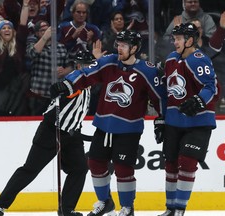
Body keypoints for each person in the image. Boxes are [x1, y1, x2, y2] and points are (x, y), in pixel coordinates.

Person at [50, 30, 166, 216]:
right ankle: (105, 202)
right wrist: (67, 84)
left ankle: (127, 207)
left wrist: (161, 120)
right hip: (104, 125)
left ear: (134, 48)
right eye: (118, 44)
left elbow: (160, 97)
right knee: (95, 163)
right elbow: (87, 74)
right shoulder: (109, 61)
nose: (119, 48)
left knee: (123, 168)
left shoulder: (147, 70)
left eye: (124, 45)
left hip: (129, 129)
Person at [0, 50, 95, 216]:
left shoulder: (89, 83)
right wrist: (58, 88)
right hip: (51, 131)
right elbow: (63, 88)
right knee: (30, 169)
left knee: (79, 168)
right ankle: (1, 204)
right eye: (84, 65)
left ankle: (66, 209)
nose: (88, 68)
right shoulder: (75, 79)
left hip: (71, 134)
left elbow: (75, 116)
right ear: (77, 65)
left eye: (90, 65)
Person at [157, 23, 220, 216]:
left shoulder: (198, 59)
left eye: (178, 39)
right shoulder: (170, 60)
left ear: (190, 40)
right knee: (171, 163)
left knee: (187, 161)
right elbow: (164, 92)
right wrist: (161, 118)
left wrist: (199, 100)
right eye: (174, 38)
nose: (174, 42)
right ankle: (170, 208)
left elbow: (211, 87)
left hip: (198, 121)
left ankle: (179, 209)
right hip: (174, 121)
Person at [26, 20, 73, 115]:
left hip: (56, 96)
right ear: (37, 33)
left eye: (48, 29)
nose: (47, 31)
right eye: (42, 30)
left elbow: (71, 66)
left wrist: (64, 72)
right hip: (38, 96)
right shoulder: (33, 44)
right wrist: (44, 37)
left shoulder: (61, 47)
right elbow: (32, 53)